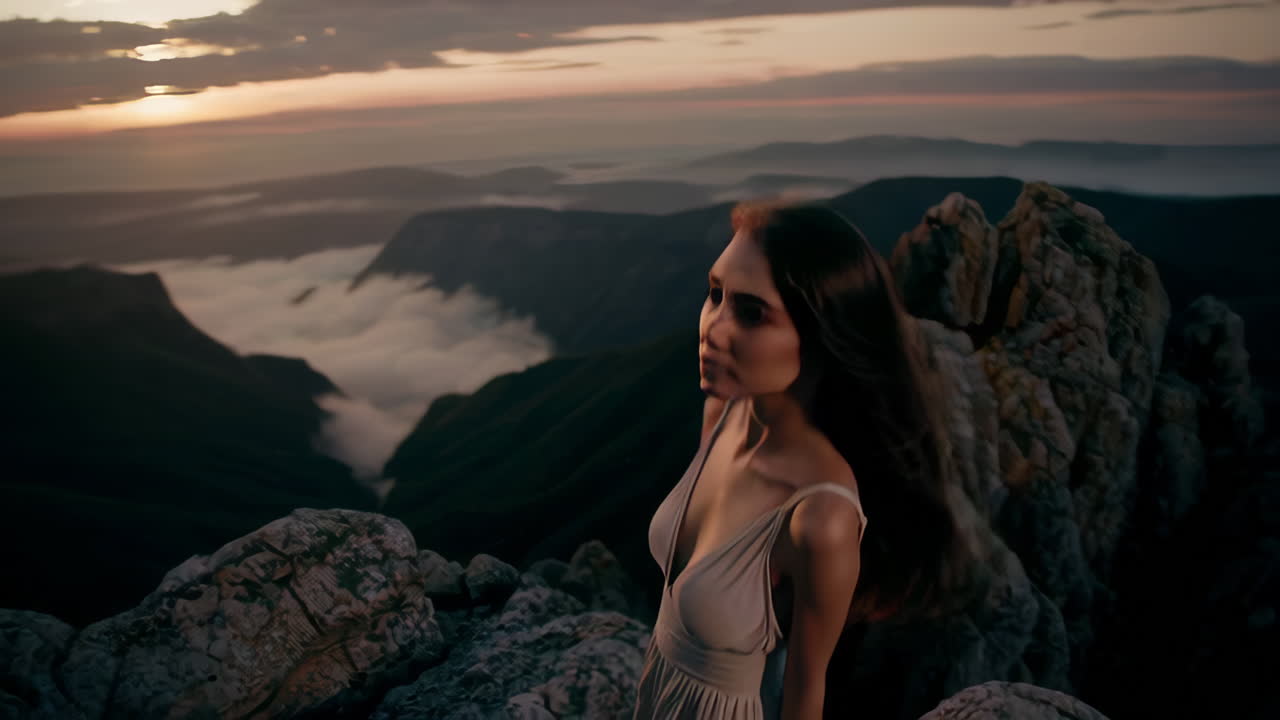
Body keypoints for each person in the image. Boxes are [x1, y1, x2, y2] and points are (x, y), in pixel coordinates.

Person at [632, 198, 976, 719]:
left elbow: (803, 693)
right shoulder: (720, 418)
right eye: (715, 294)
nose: (712, 327)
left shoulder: (821, 517)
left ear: (820, 336)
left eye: (751, 313)